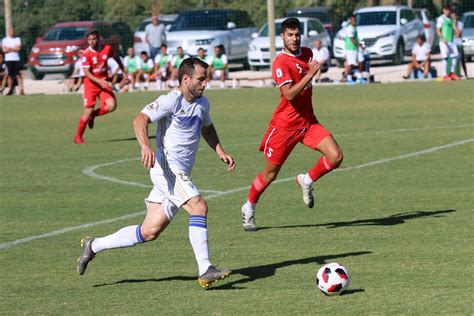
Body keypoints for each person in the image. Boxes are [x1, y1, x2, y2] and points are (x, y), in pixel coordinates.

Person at [76, 57, 235, 289]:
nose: (205, 84)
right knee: (199, 206)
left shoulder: (203, 104)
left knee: (149, 231)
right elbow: (139, 120)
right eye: (201, 79)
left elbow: (207, 127)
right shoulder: (171, 100)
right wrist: (145, 146)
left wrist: (220, 150)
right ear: (186, 79)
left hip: (178, 173)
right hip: (167, 170)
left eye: (206, 79)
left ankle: (93, 246)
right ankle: (205, 269)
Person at [240, 17, 343, 231]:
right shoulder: (280, 62)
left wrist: (311, 72)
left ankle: (306, 179)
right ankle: (249, 206)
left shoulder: (307, 53)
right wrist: (309, 75)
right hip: (285, 126)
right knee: (270, 174)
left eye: (297, 35)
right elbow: (289, 95)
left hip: (308, 122)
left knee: (336, 156)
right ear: (282, 37)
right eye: (290, 35)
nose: (294, 39)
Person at [74, 30, 126, 144]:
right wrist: (99, 81)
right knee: (87, 111)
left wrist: (124, 72)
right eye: (89, 40)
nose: (91, 42)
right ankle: (78, 137)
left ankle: (92, 116)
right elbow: (86, 73)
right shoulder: (86, 54)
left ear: (98, 39)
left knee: (112, 105)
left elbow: (116, 57)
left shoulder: (106, 49)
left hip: (103, 82)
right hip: (91, 84)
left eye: (94, 39)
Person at [436, 5, 460, 81]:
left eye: (448, 10)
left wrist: (455, 21)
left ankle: (452, 73)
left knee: (455, 55)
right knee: (445, 58)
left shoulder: (450, 19)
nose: (447, 11)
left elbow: (457, 31)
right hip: (444, 42)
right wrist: (442, 38)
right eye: (446, 10)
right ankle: (444, 75)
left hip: (451, 41)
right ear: (443, 10)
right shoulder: (441, 19)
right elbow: (438, 30)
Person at [2, 27, 24, 95]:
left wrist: (9, 49)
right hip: (8, 60)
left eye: (12, 31)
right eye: (10, 31)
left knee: (18, 75)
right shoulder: (4, 40)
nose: (11, 32)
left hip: (16, 59)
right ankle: (10, 90)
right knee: (9, 75)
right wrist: (13, 48)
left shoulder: (17, 39)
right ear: (8, 32)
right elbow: (4, 50)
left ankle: (21, 90)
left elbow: (18, 48)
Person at [344, 15, 365, 84]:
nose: (354, 21)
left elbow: (356, 38)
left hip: (356, 48)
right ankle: (349, 79)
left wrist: (361, 45)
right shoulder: (349, 29)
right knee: (351, 64)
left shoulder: (355, 28)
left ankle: (359, 77)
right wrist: (360, 46)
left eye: (355, 20)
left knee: (361, 61)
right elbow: (352, 39)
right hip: (350, 49)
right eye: (353, 20)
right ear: (350, 21)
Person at [452, 12, 468, 78]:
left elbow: (458, 35)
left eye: (454, 16)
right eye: (452, 16)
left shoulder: (460, 24)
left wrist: (455, 26)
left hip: (459, 44)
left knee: (462, 60)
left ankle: (466, 74)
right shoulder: (449, 24)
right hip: (452, 45)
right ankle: (455, 74)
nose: (453, 17)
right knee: (453, 61)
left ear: (457, 16)